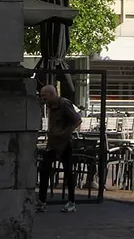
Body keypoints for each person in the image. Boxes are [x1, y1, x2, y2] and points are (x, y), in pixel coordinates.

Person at [37, 85, 82, 213]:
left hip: (64, 143)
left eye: (44, 95)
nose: (43, 98)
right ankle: (41, 201)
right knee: (44, 170)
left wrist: (64, 133)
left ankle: (71, 201)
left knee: (68, 172)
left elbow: (77, 120)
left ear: (51, 94)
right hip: (52, 143)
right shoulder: (50, 105)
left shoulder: (63, 103)